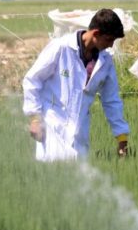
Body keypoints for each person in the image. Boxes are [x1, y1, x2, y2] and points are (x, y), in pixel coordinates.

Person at [23, 9, 130, 162]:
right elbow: (32, 79)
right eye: (109, 39)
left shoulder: (105, 61)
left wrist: (121, 137)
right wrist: (34, 118)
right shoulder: (60, 48)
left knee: (79, 178)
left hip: (80, 131)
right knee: (51, 177)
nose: (111, 45)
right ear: (96, 33)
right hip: (53, 126)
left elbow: (111, 100)